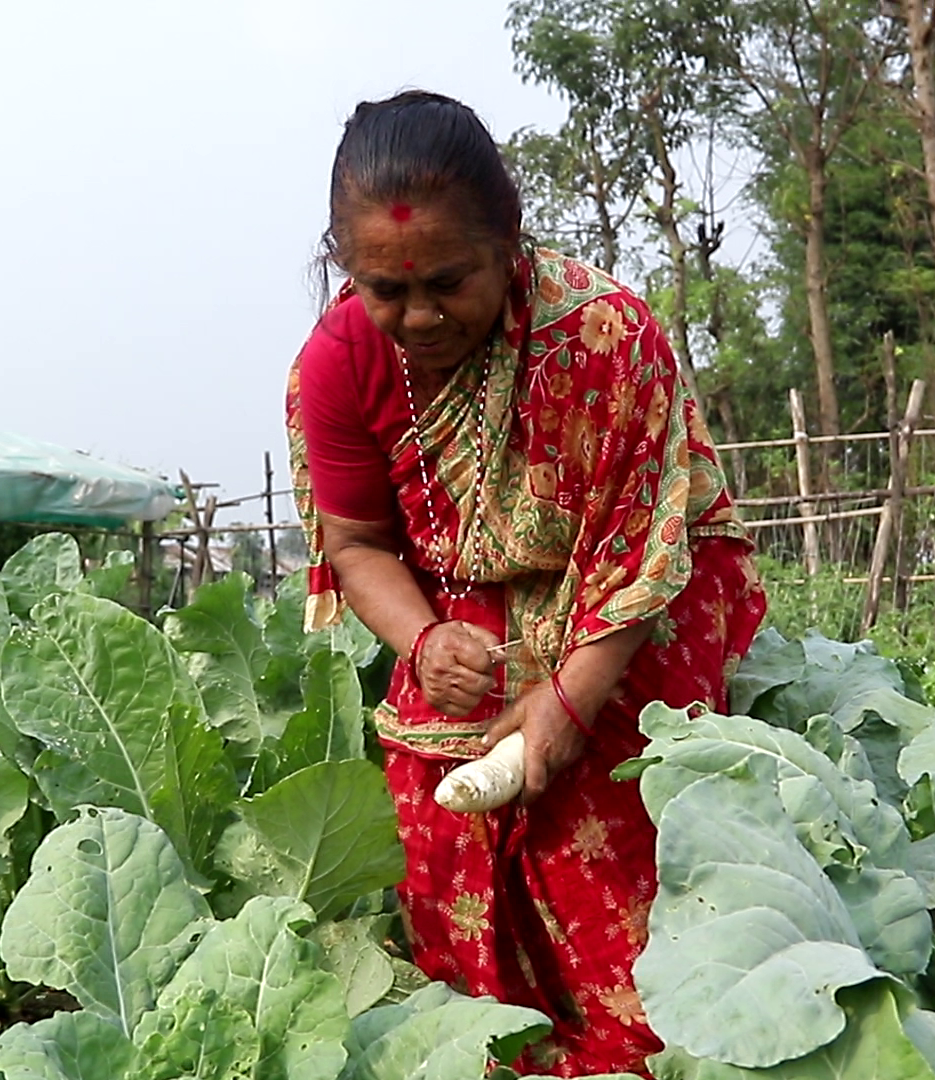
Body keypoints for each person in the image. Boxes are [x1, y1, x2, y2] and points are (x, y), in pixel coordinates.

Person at [285, 90, 766, 1077]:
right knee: (440, 827)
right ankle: (496, 1051)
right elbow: (362, 543)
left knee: (606, 835)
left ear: (508, 241)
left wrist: (566, 706)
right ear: (346, 269)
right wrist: (422, 642)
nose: (417, 317)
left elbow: (641, 552)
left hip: (621, 599)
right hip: (453, 605)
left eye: (448, 282)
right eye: (383, 290)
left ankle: (639, 1054)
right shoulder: (336, 366)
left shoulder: (606, 339)